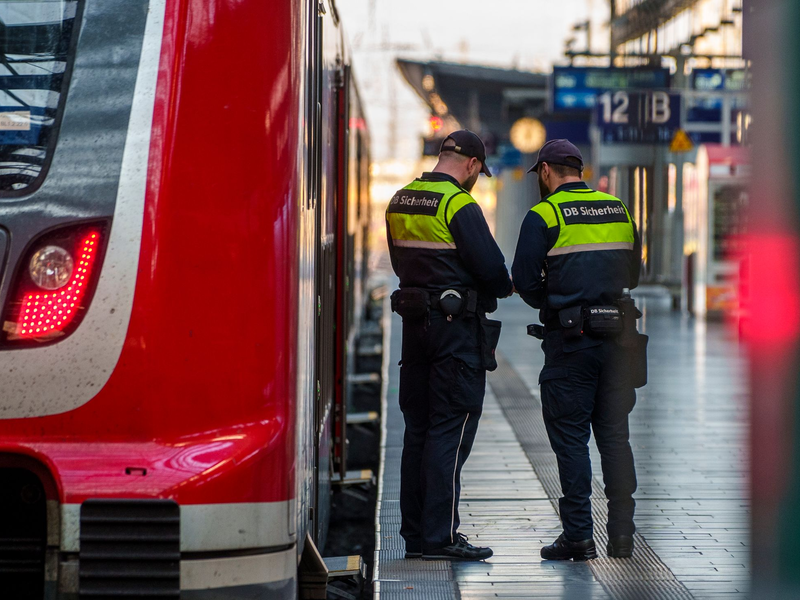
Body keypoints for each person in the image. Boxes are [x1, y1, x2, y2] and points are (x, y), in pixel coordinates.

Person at [511, 139, 643, 561]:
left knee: (571, 440)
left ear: (546, 171)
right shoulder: (618, 209)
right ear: (580, 170)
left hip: (572, 343)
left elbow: (527, 284)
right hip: (619, 342)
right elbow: (634, 274)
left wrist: (560, 295)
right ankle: (622, 536)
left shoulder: (543, 215)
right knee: (615, 438)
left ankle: (579, 537)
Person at [386, 130, 513, 561]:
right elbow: (493, 269)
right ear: (473, 165)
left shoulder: (400, 199)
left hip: (414, 327)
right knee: (449, 431)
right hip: (455, 333)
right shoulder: (458, 204)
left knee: (418, 430)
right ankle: (442, 538)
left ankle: (417, 536)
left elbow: (400, 261)